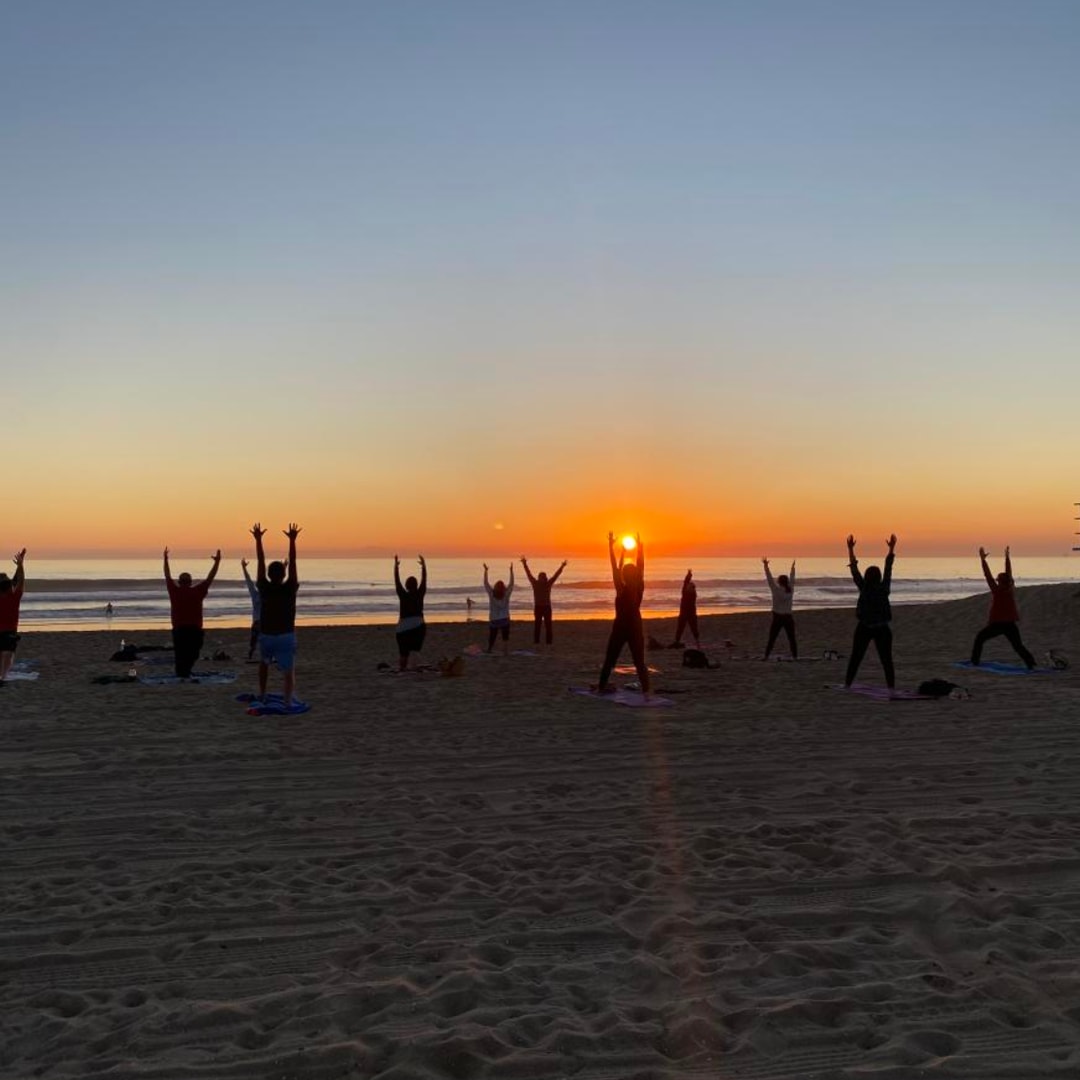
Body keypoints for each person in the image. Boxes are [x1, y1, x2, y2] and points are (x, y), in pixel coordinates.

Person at [252, 523, 301, 706]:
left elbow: (260, 560)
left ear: (269, 574)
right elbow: (293, 561)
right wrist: (292, 541)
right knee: (288, 671)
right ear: (284, 574)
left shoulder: (264, 587)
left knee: (264, 664)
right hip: (285, 635)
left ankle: (262, 694)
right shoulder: (289, 588)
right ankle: (287, 700)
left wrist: (258, 540)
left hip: (267, 635)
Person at [597, 532, 650, 696]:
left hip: (621, 626)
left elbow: (614, 568)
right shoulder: (639, 587)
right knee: (639, 661)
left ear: (624, 576)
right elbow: (641, 567)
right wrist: (640, 549)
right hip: (635, 625)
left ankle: (601, 687)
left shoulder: (621, 589)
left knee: (610, 659)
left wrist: (610, 547)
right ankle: (646, 690)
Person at [844, 534, 896, 690]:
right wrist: (891, 548)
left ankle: (848, 684)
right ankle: (891, 688)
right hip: (881, 628)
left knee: (856, 658)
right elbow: (888, 567)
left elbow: (854, 570)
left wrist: (850, 549)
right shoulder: (883, 588)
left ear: (867, 576)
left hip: (865, 627)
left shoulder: (864, 587)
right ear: (878, 577)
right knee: (886, 660)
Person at [971, 545, 1036, 669]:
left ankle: (975, 662)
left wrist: (983, 560)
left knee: (981, 638)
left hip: (999, 624)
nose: (997, 581)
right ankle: (1031, 663)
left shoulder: (998, 590)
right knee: (1017, 646)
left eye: (998, 580)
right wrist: (1006, 557)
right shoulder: (1009, 589)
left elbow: (989, 575)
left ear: (1001, 581)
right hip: (1008, 624)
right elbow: (1004, 574)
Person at [163, 547, 221, 678]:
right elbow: (210, 578)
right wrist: (217, 562)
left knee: (183, 653)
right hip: (191, 629)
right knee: (190, 653)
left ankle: (183, 672)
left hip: (182, 629)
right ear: (189, 582)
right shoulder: (193, 591)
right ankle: (183, 673)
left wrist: (165, 559)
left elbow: (167, 575)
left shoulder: (176, 591)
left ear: (181, 582)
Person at [521, 556, 567, 646]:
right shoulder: (535, 583)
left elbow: (556, 575)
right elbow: (528, 574)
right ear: (539, 577)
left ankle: (548, 642)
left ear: (545, 578)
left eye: (542, 577)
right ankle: (537, 641)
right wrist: (524, 564)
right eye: (541, 577)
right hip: (538, 607)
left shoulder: (548, 583)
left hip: (546, 607)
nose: (541, 578)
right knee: (537, 625)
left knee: (548, 625)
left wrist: (562, 566)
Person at [394, 554, 427, 670]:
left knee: (403, 653)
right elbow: (424, 579)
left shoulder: (403, 595)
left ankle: (403, 666)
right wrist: (423, 566)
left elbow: (397, 581)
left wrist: (396, 566)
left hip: (402, 628)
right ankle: (414, 663)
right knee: (415, 650)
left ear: (406, 586)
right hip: (417, 627)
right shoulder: (420, 593)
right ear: (416, 585)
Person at [0, 548, 27, 685]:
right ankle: (3, 677)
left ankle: (2, 676)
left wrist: (19, 566)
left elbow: (16, 581)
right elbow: (19, 581)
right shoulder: (14, 597)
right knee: (8, 654)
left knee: (5, 654)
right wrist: (20, 565)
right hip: (10, 631)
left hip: (4, 631)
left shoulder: (11, 596)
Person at [763, 557, 798, 659]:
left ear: (778, 582)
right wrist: (793, 568)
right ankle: (795, 656)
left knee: (772, 638)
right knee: (791, 638)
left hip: (777, 617)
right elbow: (792, 579)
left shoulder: (775, 589)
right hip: (788, 617)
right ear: (786, 582)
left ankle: (766, 656)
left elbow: (769, 579)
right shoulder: (790, 589)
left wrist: (766, 566)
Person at [483, 563, 515, 654]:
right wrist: (511, 571)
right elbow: (511, 584)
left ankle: (489, 649)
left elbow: (486, 583)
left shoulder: (491, 594)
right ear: (503, 587)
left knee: (493, 635)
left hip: (494, 619)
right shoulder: (506, 594)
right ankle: (505, 650)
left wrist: (486, 571)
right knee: (505, 635)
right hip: (504, 618)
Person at [673, 568, 700, 648]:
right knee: (680, 628)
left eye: (690, 586)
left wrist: (689, 576)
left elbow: (685, 583)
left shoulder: (691, 594)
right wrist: (689, 575)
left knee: (694, 628)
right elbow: (685, 582)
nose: (688, 586)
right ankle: (677, 641)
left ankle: (697, 642)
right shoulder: (687, 593)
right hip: (685, 613)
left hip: (690, 613)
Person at [240, 558, 261, 661]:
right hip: (258, 622)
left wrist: (284, 567)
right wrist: (244, 568)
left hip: (264, 622)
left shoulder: (266, 594)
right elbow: (249, 582)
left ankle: (252, 655)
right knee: (254, 641)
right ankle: (250, 655)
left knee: (264, 640)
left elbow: (277, 583)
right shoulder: (255, 594)